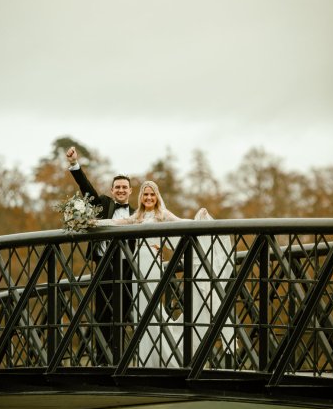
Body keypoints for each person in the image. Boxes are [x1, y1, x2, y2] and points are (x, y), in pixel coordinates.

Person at [95, 180, 234, 368]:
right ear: (141, 197)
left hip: (152, 263)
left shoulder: (163, 215)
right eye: (146, 194)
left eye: (152, 194)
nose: (149, 197)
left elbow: (181, 223)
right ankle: (147, 359)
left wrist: (198, 219)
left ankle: (167, 354)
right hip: (137, 266)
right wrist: (93, 222)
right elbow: (115, 222)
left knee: (152, 307)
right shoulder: (136, 216)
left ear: (157, 196)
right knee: (141, 312)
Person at [66, 146, 135, 365]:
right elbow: (87, 189)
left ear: (131, 191)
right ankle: (101, 359)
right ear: (112, 190)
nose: (121, 190)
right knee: (103, 312)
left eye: (125, 187)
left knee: (123, 315)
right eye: (118, 187)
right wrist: (75, 164)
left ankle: (119, 358)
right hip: (104, 265)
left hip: (127, 268)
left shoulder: (136, 214)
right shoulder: (104, 203)